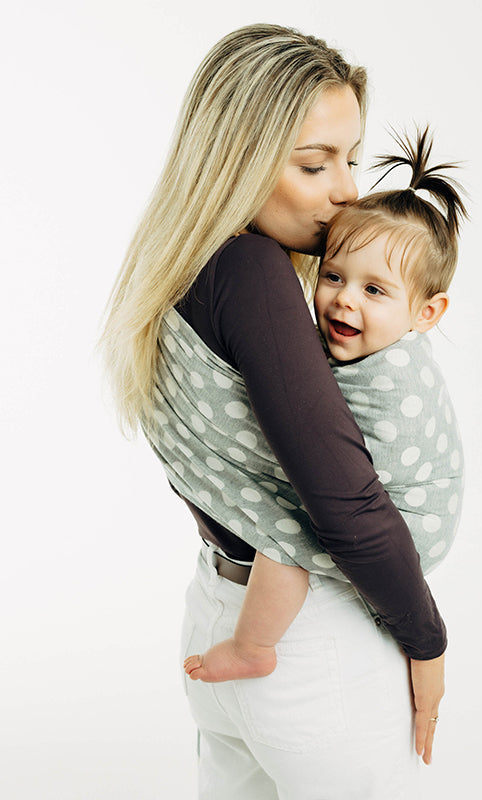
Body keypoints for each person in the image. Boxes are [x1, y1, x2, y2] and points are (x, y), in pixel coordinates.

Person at [101, 24, 448, 799]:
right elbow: (344, 499)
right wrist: (426, 643)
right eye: (313, 164)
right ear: (238, 158)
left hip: (222, 614)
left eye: (350, 158)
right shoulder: (252, 271)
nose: (347, 190)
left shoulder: (182, 264)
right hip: (310, 645)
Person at [183, 126, 466, 692]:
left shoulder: (393, 375)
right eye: (333, 277)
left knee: (288, 534)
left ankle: (253, 646)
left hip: (399, 533)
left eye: (375, 291)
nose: (344, 299)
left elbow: (346, 502)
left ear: (427, 313)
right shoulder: (349, 338)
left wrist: (428, 642)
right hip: (359, 551)